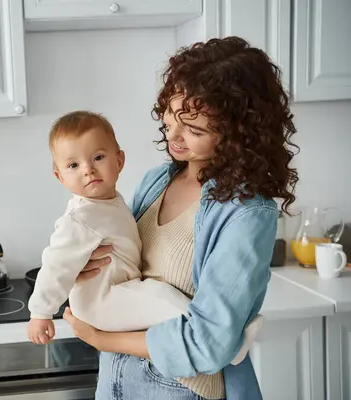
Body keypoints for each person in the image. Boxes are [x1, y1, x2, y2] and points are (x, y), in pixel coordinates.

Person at [61, 36, 298, 400]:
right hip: (114, 378)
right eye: (170, 116)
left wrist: (100, 338)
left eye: (194, 129)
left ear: (239, 133)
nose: (172, 135)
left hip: (180, 388)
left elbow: (209, 344)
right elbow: (128, 273)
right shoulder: (158, 180)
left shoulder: (246, 213)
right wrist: (85, 267)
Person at [27, 111, 261, 369]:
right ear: (60, 177)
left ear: (119, 161)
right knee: (160, 295)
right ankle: (232, 345)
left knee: (160, 302)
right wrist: (41, 313)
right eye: (73, 165)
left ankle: (221, 341)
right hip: (101, 302)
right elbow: (55, 265)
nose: (88, 170)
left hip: (118, 297)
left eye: (98, 157)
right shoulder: (80, 218)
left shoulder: (110, 202)